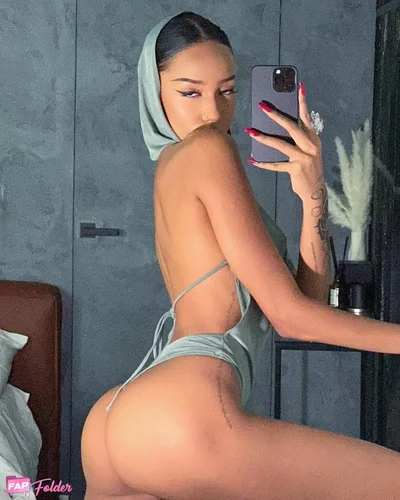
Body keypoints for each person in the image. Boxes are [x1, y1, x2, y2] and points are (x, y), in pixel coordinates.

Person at [81, 11, 400, 500]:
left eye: (227, 91)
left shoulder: (173, 167)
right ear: (154, 92)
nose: (213, 112)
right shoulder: (208, 148)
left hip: (116, 420)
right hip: (183, 411)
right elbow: (293, 319)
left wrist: (312, 193)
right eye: (190, 92)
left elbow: (306, 300)